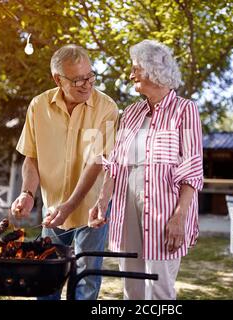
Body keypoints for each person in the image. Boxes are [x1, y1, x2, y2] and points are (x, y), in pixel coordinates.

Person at [88, 40, 203, 300]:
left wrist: (179, 216)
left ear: (154, 69)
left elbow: (192, 169)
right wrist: (102, 201)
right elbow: (115, 163)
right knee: (132, 288)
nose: (130, 75)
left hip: (165, 211)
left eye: (136, 68)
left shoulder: (185, 110)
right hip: (126, 208)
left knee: (160, 290)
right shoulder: (130, 113)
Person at [11, 44, 119, 300]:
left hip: (92, 209)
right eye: (78, 79)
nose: (86, 84)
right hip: (53, 209)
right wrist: (27, 193)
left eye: (90, 76)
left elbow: (98, 162)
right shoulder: (38, 106)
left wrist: (68, 207)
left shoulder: (107, 108)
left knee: (87, 277)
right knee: (47, 275)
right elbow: (32, 158)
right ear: (57, 79)